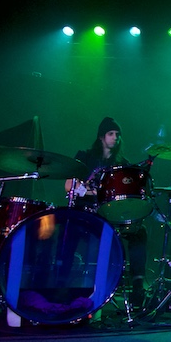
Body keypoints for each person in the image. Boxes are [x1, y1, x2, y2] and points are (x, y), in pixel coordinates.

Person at [65, 116, 149, 307]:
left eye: (118, 135)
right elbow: (68, 185)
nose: (115, 138)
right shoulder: (84, 157)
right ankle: (64, 280)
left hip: (109, 214)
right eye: (111, 134)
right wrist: (87, 191)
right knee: (69, 230)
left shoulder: (122, 163)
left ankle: (137, 285)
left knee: (139, 231)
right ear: (101, 137)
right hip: (85, 213)